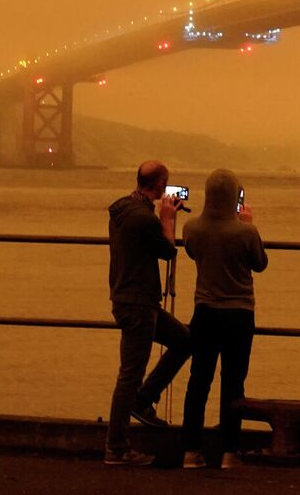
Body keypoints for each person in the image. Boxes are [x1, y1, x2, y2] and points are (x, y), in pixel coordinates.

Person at [104, 159, 192, 466]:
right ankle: (116, 447)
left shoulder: (121, 210)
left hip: (129, 298)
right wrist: (167, 219)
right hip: (138, 304)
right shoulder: (144, 219)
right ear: (158, 184)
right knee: (129, 375)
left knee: (184, 340)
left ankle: (143, 400)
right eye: (164, 184)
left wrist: (160, 217)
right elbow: (167, 251)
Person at [180, 166, 268, 469]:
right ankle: (231, 452)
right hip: (239, 314)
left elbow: (193, 254)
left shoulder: (192, 228)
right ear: (234, 197)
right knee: (233, 382)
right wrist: (248, 223)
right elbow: (260, 263)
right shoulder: (246, 232)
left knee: (198, 381)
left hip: (204, 311)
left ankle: (191, 450)